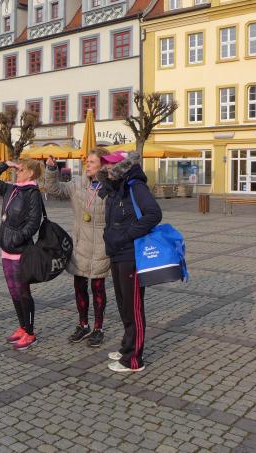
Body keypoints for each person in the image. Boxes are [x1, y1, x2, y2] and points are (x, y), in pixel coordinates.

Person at [97, 151, 162, 372]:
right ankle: (127, 346)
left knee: (133, 307)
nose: (106, 168)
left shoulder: (136, 186)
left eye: (110, 164)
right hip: (117, 253)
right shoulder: (115, 188)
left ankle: (134, 359)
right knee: (124, 305)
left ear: (121, 166)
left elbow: (153, 214)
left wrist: (127, 235)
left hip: (131, 255)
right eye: (105, 164)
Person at [44, 148, 110, 348]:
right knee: (79, 286)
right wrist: (51, 170)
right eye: (87, 161)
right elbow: (54, 189)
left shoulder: (111, 187)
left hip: (101, 245)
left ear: (103, 165)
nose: (87, 165)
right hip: (80, 243)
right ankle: (83, 325)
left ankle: (98, 328)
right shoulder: (77, 184)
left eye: (92, 162)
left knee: (98, 288)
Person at [0, 159, 43, 350]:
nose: (18, 172)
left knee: (23, 292)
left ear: (31, 173)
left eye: (22, 170)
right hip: (6, 250)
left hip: (21, 251)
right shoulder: (11, 189)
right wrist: (7, 164)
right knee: (13, 291)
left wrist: (17, 238)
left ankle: (30, 333)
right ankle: (22, 326)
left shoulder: (33, 193)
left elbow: (34, 222)